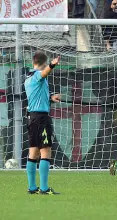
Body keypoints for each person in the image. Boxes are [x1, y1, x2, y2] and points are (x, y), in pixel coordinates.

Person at [25, 51, 60, 194]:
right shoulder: (37, 75)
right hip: (41, 118)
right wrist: (53, 64)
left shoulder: (28, 78)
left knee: (33, 152)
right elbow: (44, 73)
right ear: (44, 63)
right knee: (45, 152)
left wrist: (51, 98)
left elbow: (37, 96)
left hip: (33, 118)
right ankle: (44, 189)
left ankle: (32, 188)